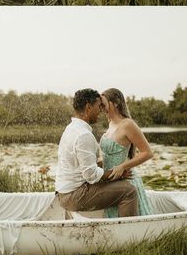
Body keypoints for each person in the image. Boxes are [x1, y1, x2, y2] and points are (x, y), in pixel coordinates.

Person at [55, 89, 138, 218]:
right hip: (74, 196)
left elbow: (83, 166)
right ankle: (128, 234)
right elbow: (91, 175)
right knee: (129, 191)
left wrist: (104, 164)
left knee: (117, 187)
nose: (100, 110)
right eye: (98, 106)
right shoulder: (83, 135)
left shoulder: (71, 128)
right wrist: (118, 174)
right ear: (88, 107)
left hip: (64, 192)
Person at [100, 88, 154, 217]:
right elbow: (111, 155)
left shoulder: (128, 124)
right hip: (110, 181)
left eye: (104, 104)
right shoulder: (110, 123)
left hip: (126, 181)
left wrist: (123, 166)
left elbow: (147, 152)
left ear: (116, 103)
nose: (101, 108)